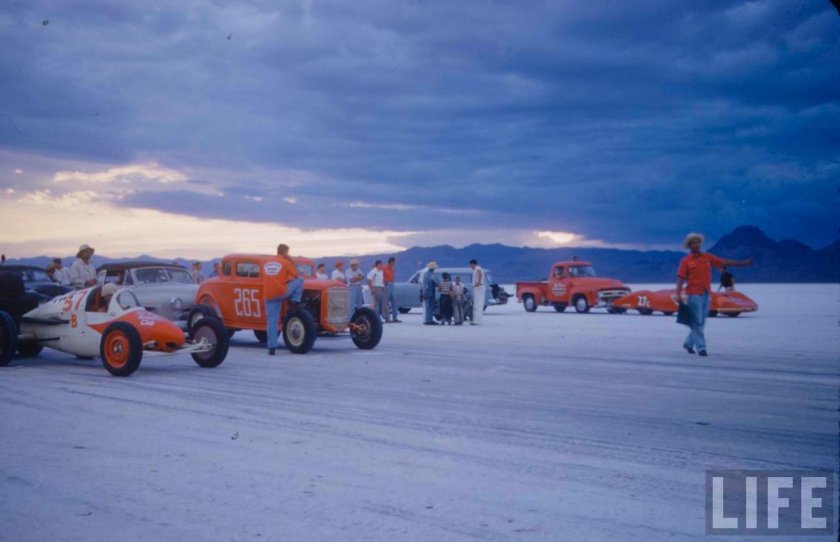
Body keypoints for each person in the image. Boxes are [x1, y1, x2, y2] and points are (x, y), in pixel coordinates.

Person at [676, 233, 752, 357]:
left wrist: (742, 263)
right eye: (694, 242)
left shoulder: (707, 257)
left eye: (698, 242)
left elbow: (723, 262)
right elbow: (680, 278)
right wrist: (678, 294)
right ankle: (702, 348)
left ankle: (689, 344)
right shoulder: (686, 261)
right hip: (693, 293)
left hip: (706, 293)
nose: (697, 244)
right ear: (690, 245)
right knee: (697, 321)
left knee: (701, 321)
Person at [263, 243, 304, 356]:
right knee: (300, 280)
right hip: (281, 292)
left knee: (271, 321)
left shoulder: (267, 263)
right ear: (285, 253)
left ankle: (272, 348)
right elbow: (296, 275)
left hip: (268, 295)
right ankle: (295, 302)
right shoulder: (285, 262)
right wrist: (291, 260)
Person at [383, 256, 400, 323]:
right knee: (386, 302)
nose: (395, 263)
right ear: (391, 262)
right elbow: (381, 276)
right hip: (387, 284)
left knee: (394, 301)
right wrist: (384, 284)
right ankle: (387, 318)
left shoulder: (392, 269)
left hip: (392, 284)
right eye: (394, 262)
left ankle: (395, 318)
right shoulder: (385, 268)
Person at [469, 259, 485, 325]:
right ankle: (477, 319)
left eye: (470, 265)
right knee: (477, 303)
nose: (470, 267)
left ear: (473, 264)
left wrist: (478, 283)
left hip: (479, 287)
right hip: (478, 287)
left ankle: (477, 320)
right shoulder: (477, 269)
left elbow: (480, 274)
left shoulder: (477, 269)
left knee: (478, 303)